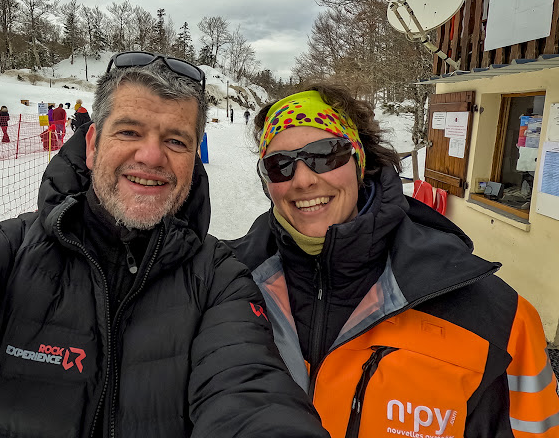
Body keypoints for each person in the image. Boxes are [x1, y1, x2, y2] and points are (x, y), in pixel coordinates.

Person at [0, 53, 329, 438]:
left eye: (176, 141)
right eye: (129, 131)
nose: (151, 156)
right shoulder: (10, 251)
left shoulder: (220, 279)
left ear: (193, 158)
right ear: (93, 145)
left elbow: (250, 389)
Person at [223, 85, 559, 437]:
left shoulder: (498, 319)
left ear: (359, 161)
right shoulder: (226, 288)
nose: (304, 179)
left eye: (325, 154)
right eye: (280, 165)